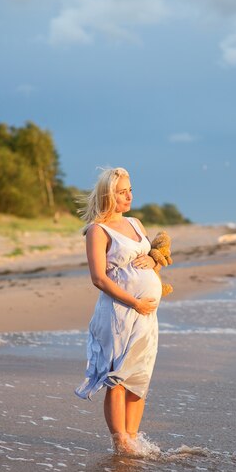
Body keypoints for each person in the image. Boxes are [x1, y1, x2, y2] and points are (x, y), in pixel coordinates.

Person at [74, 167, 162, 454]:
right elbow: (99, 278)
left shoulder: (136, 224)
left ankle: (133, 439)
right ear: (108, 195)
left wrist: (154, 263)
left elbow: (151, 258)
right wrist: (135, 302)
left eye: (130, 189)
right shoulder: (97, 231)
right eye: (122, 192)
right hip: (119, 313)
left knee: (140, 376)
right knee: (118, 375)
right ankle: (120, 442)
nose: (129, 196)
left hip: (146, 315)